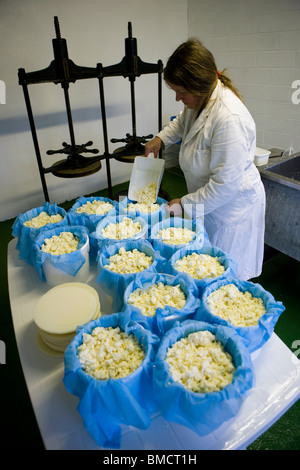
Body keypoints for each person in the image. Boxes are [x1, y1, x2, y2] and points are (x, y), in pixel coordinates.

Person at [145, 39, 265, 280]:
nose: (178, 98)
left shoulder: (229, 118)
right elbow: (181, 123)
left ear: (197, 85)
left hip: (231, 211)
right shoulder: (199, 101)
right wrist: (160, 139)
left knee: (227, 277)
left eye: (181, 91)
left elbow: (225, 186)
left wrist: (184, 204)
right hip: (209, 204)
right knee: (207, 268)